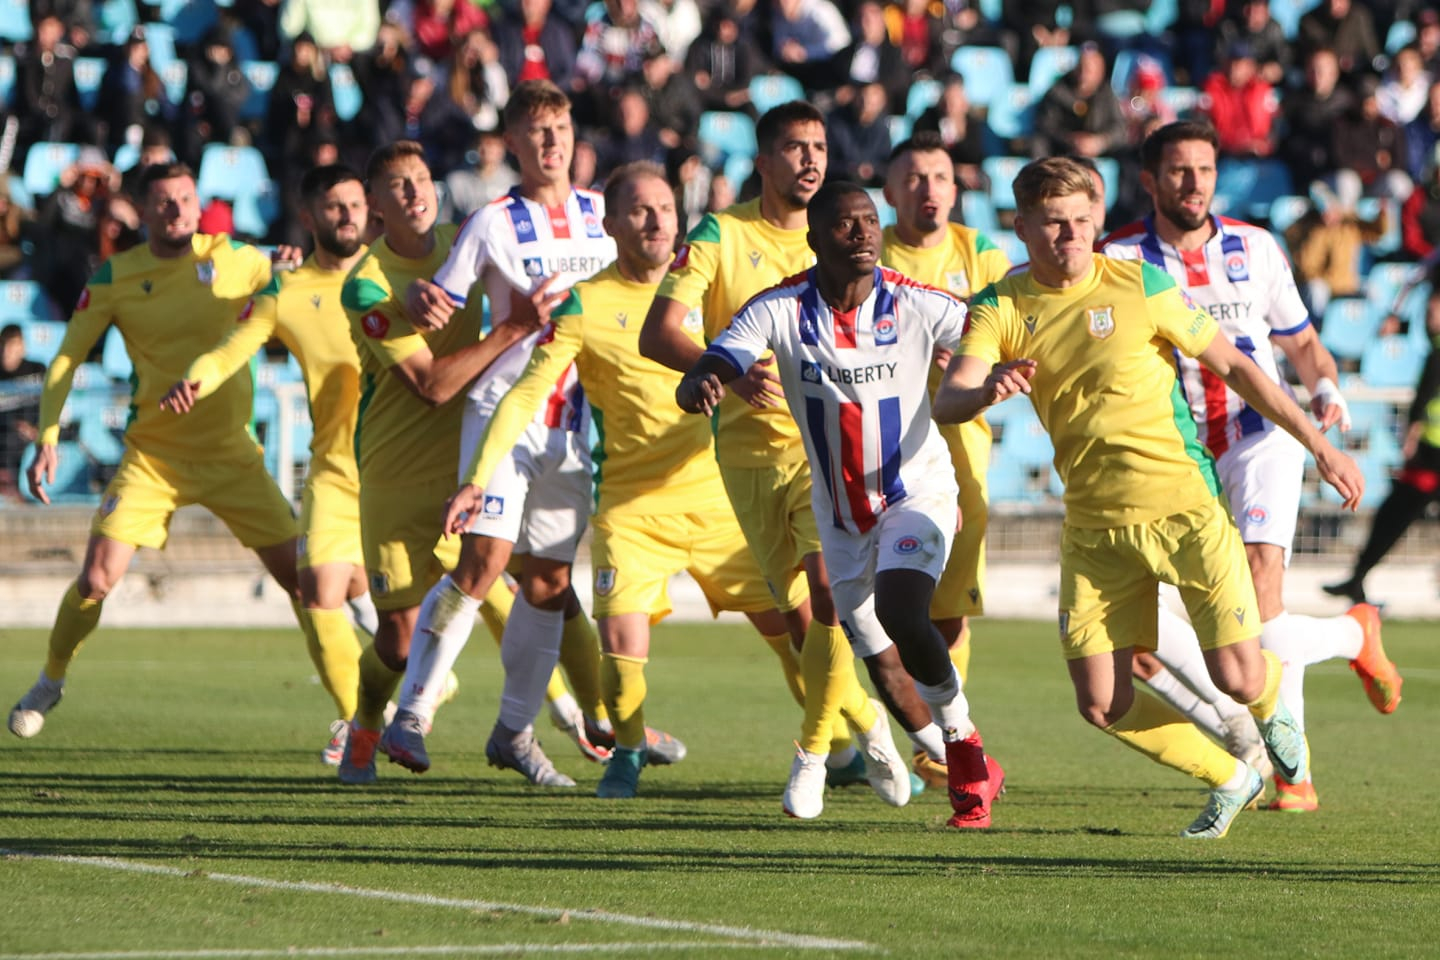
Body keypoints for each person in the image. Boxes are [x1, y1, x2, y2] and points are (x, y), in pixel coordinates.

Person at [448, 163, 907, 810]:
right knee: (623, 640)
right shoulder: (585, 301)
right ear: (610, 226)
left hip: (719, 496)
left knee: (799, 627)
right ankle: (627, 753)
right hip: (631, 509)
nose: (657, 220)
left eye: (665, 207)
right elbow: (527, 392)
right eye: (638, 210)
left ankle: (856, 734)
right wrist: (475, 479)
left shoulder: (703, 283)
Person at [933, 156, 1365, 839]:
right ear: (1021, 227)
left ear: (1097, 221)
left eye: (1082, 221)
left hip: (1185, 512)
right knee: (1102, 703)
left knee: (1241, 680)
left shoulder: (1140, 285)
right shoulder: (1001, 306)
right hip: (1096, 529)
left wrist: (1322, 445)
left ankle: (1275, 691)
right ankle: (1230, 776)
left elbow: (1240, 368)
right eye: (1053, 223)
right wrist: (986, 391)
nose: (1070, 236)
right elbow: (948, 397)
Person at [676, 182, 1006, 828]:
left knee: (903, 608)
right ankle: (949, 750)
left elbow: (986, 326)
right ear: (815, 239)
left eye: (869, 222)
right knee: (879, 660)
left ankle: (963, 751)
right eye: (846, 225)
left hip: (919, 491)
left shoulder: (912, 302)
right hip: (843, 514)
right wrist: (703, 376)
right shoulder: (780, 308)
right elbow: (727, 349)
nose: (862, 234)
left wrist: (995, 368)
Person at [1102, 121, 1403, 812]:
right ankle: (1351, 635)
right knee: (1141, 645)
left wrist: (1325, 386)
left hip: (1258, 434)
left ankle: (1291, 771)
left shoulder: (1255, 247)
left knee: (1262, 602)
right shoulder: (1118, 257)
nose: (1194, 183)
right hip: (1170, 455)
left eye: (1204, 169)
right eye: (1178, 171)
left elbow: (1302, 345)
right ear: (1149, 181)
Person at [384, 81, 669, 785]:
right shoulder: (491, 223)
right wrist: (413, 297)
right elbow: (436, 302)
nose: (552, 143)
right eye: (537, 131)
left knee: (545, 582)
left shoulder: (606, 217)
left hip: (572, 427)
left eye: (561, 129)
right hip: (501, 411)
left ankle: (513, 731)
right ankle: (412, 713)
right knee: (481, 562)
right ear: (512, 143)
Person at [640, 101, 918, 818]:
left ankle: (812, 755)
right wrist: (726, 371)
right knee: (804, 623)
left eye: (820, 146)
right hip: (744, 456)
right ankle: (870, 726)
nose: (810, 160)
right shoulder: (719, 234)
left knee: (830, 594)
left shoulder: (848, 238)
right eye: (794, 148)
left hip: (825, 451)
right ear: (762, 161)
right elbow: (659, 331)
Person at [7, 163, 312, 740]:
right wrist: (47, 438)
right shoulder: (116, 277)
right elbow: (68, 358)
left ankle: (356, 713)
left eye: (186, 199)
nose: (176, 210)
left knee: (303, 582)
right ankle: (51, 677)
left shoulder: (235, 257)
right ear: (143, 213)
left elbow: (293, 266)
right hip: (154, 457)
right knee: (97, 579)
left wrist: (291, 262)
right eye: (164, 202)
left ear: (200, 206)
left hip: (232, 456)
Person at [159, 165, 378, 766]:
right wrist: (196, 380)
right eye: (334, 206)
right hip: (335, 469)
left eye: (356, 203)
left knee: (471, 587)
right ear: (310, 217)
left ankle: (568, 716)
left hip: (403, 464)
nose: (348, 215)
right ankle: (360, 723)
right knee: (319, 593)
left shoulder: (394, 277)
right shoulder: (286, 291)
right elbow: (234, 347)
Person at [334, 141, 537, 785]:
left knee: (521, 593)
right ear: (374, 205)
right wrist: (505, 334)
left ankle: (560, 730)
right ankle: (365, 725)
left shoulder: (463, 240)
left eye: (421, 178)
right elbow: (431, 386)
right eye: (397, 186)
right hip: (395, 474)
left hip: (468, 469)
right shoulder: (366, 282)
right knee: (396, 638)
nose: (415, 192)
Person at [878, 131, 1012, 789]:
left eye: (939, 177)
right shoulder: (870, 251)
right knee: (872, 602)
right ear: (890, 190)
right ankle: (909, 729)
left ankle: (943, 733)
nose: (927, 189)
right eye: (914, 177)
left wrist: (970, 360)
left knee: (947, 610)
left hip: (961, 453)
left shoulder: (980, 253)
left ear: (955, 189)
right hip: (882, 451)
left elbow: (1015, 338)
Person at [1325, 291, 1440, 605]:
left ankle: (1358, 576)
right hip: (1430, 456)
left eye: (1435, 308)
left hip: (1431, 456)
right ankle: (1358, 577)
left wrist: (1412, 433)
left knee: (1394, 515)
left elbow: (1423, 398)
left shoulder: (1437, 354)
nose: (1430, 314)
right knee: (1394, 515)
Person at [0, 324, 45, 501]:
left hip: (37, 431)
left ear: (22, 347)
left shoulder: (37, 370)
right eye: (3, 346)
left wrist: (37, 430)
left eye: (13, 346)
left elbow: (52, 405)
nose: (7, 352)